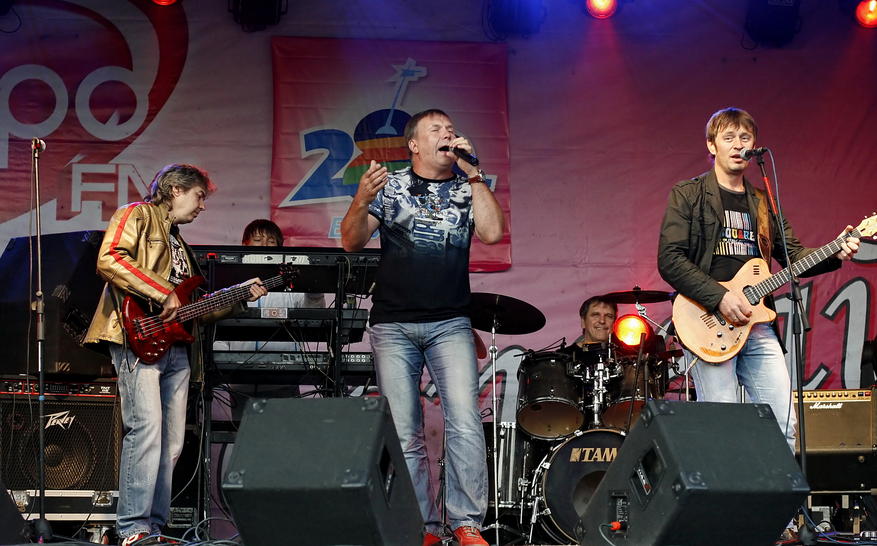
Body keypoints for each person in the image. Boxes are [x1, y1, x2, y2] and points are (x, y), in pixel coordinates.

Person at [340, 109, 505, 546]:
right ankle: (423, 528)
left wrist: (474, 172)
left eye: (451, 129)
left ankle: (466, 523)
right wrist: (361, 199)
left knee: (465, 421)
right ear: (414, 144)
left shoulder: (468, 187)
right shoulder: (391, 187)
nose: (448, 134)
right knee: (404, 432)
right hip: (393, 324)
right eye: (437, 130)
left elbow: (492, 233)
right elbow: (351, 241)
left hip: (450, 322)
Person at [84, 164, 267, 546]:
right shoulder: (137, 214)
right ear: (175, 190)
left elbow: (193, 308)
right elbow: (110, 258)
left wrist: (238, 297)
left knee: (171, 444)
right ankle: (132, 528)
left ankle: (153, 528)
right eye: (199, 196)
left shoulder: (179, 243)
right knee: (147, 431)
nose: (202, 206)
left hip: (178, 348)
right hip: (138, 336)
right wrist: (162, 291)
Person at [657, 107, 860, 451]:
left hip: (757, 324)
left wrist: (835, 251)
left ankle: (778, 489)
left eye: (745, 137)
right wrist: (719, 297)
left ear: (754, 146)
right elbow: (670, 259)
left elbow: (793, 255)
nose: (739, 145)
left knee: (783, 423)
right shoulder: (688, 194)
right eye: (729, 138)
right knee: (721, 427)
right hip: (707, 320)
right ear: (712, 146)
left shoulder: (763, 201)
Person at [214, 219, 325, 353]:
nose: (264, 245)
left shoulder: (291, 279)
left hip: (288, 363)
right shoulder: (231, 281)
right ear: (244, 245)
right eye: (257, 240)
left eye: (271, 241)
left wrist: (315, 285)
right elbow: (216, 328)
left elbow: (313, 316)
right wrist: (221, 357)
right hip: (235, 363)